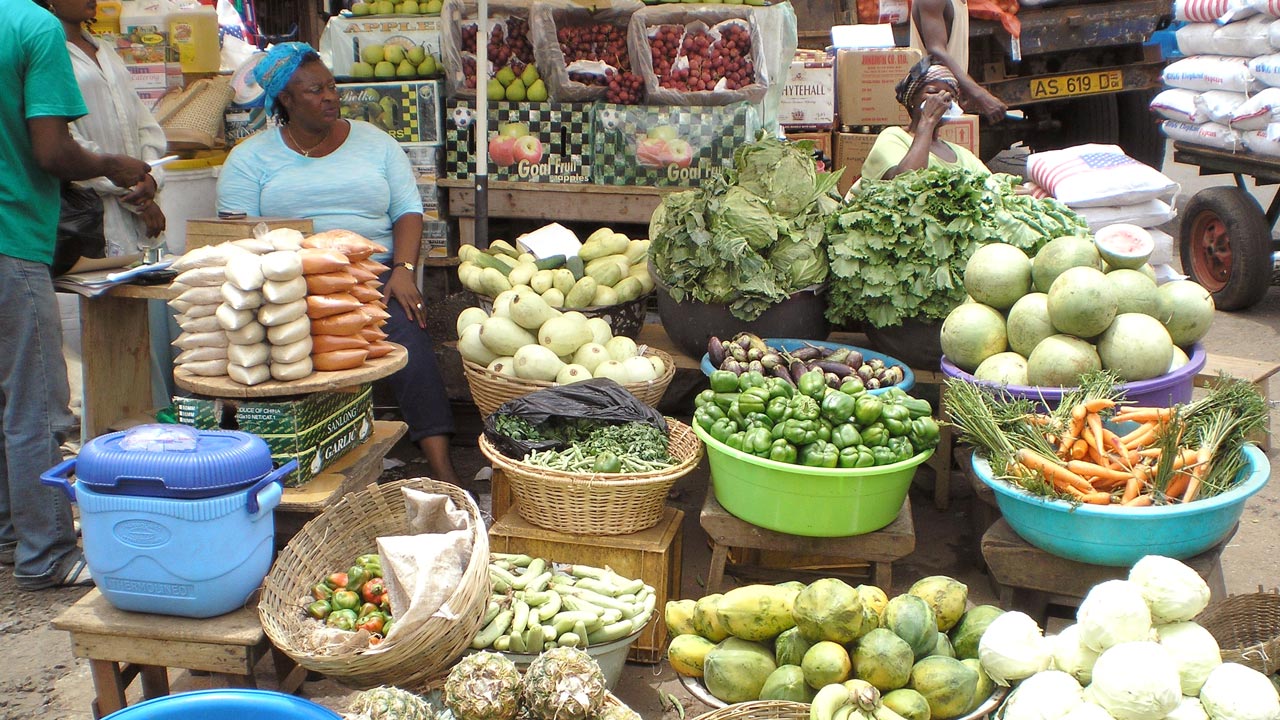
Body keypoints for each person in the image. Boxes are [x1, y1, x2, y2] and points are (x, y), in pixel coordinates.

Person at [216, 43, 464, 490]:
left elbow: (409, 211)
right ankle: (291, 467)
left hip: (373, 277)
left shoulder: (374, 143)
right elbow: (237, 238)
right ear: (285, 101)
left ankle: (442, 466)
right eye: (315, 90)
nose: (331, 97)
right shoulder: (250, 159)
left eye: (332, 86)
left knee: (411, 343)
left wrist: (404, 268)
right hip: (289, 281)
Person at [1, 0, 150, 590]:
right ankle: (48, 553)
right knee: (36, 405)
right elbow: (52, 151)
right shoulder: (32, 26)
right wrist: (111, 163)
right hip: (11, 235)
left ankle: (13, 531)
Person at [42, 0, 168, 256]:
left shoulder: (106, 51)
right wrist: (137, 196)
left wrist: (151, 176)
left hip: (143, 209)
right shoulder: (48, 56)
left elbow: (143, 122)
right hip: (91, 214)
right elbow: (67, 142)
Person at [859, 60, 992, 184]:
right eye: (932, 92)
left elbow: (992, 186)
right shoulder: (893, 137)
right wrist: (928, 121)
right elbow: (906, 183)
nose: (943, 100)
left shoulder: (963, 155)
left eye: (950, 96)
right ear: (912, 99)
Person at [910, 0, 1007, 123]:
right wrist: (979, 94)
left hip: (943, 103)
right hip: (929, 105)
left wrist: (960, 88)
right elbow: (936, 51)